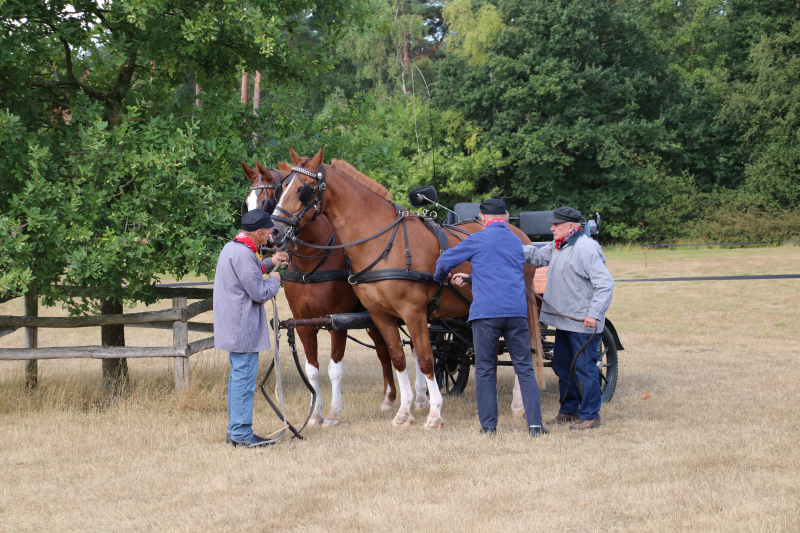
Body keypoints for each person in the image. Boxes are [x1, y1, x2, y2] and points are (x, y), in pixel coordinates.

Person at [433, 199, 547, 437]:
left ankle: (489, 427)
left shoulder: (475, 239)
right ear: (506, 217)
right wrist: (472, 277)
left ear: (482, 219)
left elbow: (444, 262)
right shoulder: (516, 241)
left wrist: (441, 277)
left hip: (486, 314)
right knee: (524, 369)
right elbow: (502, 272)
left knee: (484, 369)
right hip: (516, 312)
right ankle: (535, 426)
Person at [522, 207, 614, 430]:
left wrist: (594, 314)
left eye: (557, 224)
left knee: (585, 368)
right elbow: (535, 255)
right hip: (564, 322)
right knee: (563, 364)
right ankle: (570, 409)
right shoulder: (557, 245)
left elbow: (605, 284)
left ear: (572, 227)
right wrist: (505, 243)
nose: (552, 228)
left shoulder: (586, 248)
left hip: (582, 323)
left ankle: (591, 415)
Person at [214, 209, 289, 447]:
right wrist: (274, 283)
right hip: (242, 327)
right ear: (258, 232)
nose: (270, 235)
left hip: (236, 325)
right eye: (268, 231)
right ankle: (241, 435)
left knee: (239, 378)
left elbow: (249, 272)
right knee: (244, 381)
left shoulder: (233, 248)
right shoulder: (244, 254)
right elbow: (258, 292)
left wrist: (271, 262)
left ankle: (235, 430)